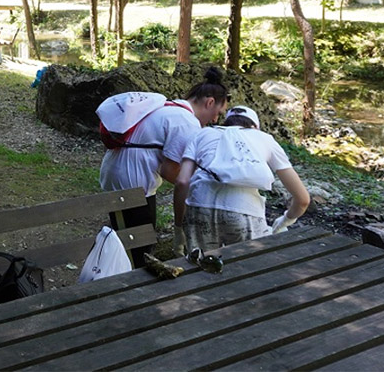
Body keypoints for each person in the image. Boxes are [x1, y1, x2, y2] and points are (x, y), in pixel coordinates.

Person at [99, 67, 229, 267]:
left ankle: (127, 274)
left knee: (136, 237)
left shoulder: (171, 107)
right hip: (129, 183)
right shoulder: (186, 123)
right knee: (136, 246)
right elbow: (170, 171)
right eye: (217, 113)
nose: (214, 120)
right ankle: (127, 283)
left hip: (124, 176)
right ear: (209, 102)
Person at [174, 106, 311, 253]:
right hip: (245, 211)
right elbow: (303, 200)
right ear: (255, 127)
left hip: (199, 206)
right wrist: (284, 221)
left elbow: (182, 182)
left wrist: (178, 229)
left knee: (202, 268)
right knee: (249, 268)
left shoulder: (202, 134)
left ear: (226, 123)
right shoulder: (265, 138)